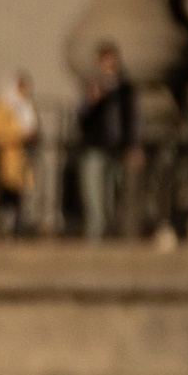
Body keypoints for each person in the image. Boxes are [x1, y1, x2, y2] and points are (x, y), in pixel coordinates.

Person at [76, 43, 136, 240]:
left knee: (112, 195)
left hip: (116, 149)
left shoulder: (125, 89)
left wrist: (133, 145)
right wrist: (93, 101)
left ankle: (110, 232)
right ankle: (95, 234)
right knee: (94, 195)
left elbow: (131, 119)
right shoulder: (92, 86)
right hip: (95, 148)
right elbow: (82, 118)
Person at [0, 71, 39, 234]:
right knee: (3, 193)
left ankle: (15, 228)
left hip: (20, 157)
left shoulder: (27, 106)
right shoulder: (4, 106)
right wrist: (19, 135)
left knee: (17, 194)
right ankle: (1, 226)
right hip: (4, 158)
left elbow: (34, 130)